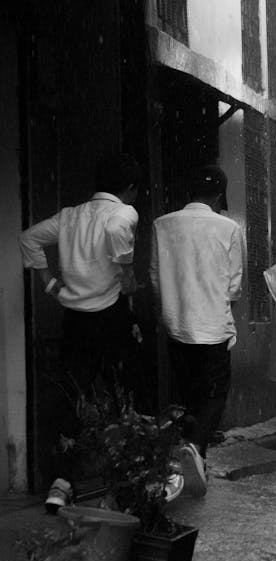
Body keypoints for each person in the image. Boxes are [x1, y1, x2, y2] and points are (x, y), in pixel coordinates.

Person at [19, 153, 142, 510]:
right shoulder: (124, 213)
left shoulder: (70, 216)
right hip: (111, 318)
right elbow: (122, 253)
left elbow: (28, 238)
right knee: (122, 396)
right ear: (130, 188)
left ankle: (61, 484)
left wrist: (51, 285)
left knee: (75, 396)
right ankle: (128, 481)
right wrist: (131, 282)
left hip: (75, 319)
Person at [150, 164, 243, 496]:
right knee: (215, 392)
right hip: (213, 326)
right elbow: (234, 286)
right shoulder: (228, 228)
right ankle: (194, 448)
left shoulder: (163, 225)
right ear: (219, 195)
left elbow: (155, 276)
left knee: (188, 394)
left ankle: (193, 459)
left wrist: (173, 310)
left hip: (177, 326)